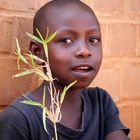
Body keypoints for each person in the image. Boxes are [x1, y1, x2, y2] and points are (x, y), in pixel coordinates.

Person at [0, 0, 130, 140]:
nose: (85, 51)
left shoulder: (100, 102)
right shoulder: (20, 118)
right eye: (66, 41)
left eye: (93, 40)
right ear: (38, 52)